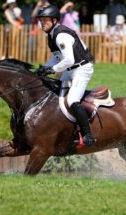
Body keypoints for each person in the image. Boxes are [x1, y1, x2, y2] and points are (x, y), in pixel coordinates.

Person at [35, 5, 96, 146]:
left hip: (82, 69)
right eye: (41, 20)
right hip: (70, 69)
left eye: (45, 20)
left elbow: (69, 60)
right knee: (52, 90)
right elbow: (57, 57)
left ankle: (88, 136)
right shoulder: (51, 34)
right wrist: (45, 68)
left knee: (72, 100)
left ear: (55, 20)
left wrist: (52, 70)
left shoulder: (61, 35)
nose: (42, 23)